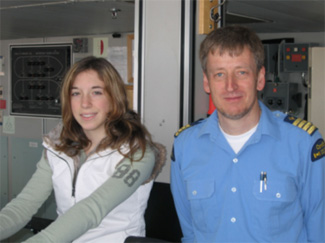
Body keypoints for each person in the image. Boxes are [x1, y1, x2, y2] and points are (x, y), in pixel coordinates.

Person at [170, 25, 324, 242]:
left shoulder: (302, 144)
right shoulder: (186, 146)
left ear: (260, 78)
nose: (230, 86)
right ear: (207, 82)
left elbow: (320, 232)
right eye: (219, 74)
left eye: (241, 72)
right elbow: (191, 233)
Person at [0, 56, 166, 242]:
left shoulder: (138, 153)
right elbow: (24, 205)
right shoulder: (58, 147)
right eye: (76, 93)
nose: (84, 103)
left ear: (114, 97)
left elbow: (91, 210)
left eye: (96, 92)